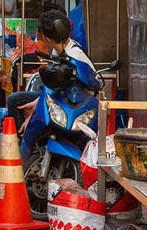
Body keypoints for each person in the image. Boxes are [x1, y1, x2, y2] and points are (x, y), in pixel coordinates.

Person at [6, 9, 97, 144]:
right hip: (60, 94)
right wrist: (36, 103)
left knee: (16, 100)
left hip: (73, 103)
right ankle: (23, 144)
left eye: (39, 32)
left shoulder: (74, 56)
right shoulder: (59, 49)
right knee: (15, 100)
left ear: (48, 38)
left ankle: (22, 143)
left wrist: (34, 112)